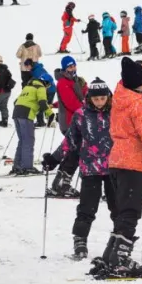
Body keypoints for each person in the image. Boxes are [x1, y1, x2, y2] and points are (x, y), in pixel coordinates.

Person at [89, 57, 142, 279]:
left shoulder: (121, 98)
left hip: (117, 161)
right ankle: (120, 260)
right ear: (138, 82)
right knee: (130, 212)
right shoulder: (138, 104)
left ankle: (111, 255)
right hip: (133, 163)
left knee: (123, 211)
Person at [41, 78, 114, 259]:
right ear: (89, 98)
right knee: (87, 208)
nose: (99, 102)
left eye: (102, 98)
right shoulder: (81, 115)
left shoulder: (117, 113)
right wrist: (55, 158)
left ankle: (118, 241)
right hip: (90, 169)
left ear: (108, 97)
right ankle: (80, 240)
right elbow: (70, 141)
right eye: (96, 99)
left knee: (118, 207)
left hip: (113, 168)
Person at [49, 56, 87, 197]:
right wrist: (87, 110)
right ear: (65, 68)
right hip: (70, 121)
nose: (72, 68)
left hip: (79, 121)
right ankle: (61, 184)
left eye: (73, 66)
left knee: (74, 152)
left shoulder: (74, 80)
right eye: (69, 67)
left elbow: (83, 96)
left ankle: (60, 183)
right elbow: (71, 102)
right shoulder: (63, 82)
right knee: (75, 152)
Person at [11, 73, 53, 175]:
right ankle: (27, 167)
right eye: (48, 85)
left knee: (22, 140)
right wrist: (50, 114)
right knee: (28, 141)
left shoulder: (28, 87)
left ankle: (17, 166)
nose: (47, 88)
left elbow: (16, 101)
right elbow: (42, 102)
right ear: (46, 82)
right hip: (26, 115)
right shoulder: (40, 87)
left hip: (16, 113)